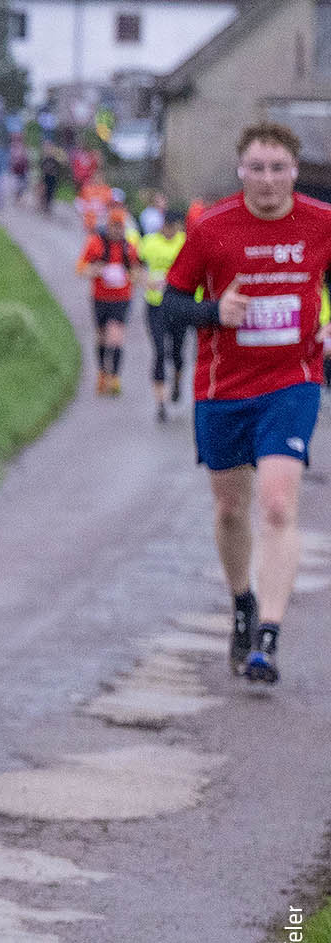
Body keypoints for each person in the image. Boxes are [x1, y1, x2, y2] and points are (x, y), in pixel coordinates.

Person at [163, 122, 331, 684]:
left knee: (278, 504)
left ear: (295, 171)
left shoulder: (321, 222)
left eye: (278, 168)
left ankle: (269, 637)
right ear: (241, 171)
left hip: (292, 381)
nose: (267, 180)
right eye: (256, 168)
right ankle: (243, 603)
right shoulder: (212, 228)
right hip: (224, 389)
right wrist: (214, 313)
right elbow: (170, 304)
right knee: (231, 509)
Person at [78, 214, 142, 396]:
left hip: (122, 299)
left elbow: (137, 271)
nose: (117, 231)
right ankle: (102, 373)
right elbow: (80, 268)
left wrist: (130, 275)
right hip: (100, 298)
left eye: (120, 227)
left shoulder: (129, 247)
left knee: (116, 337)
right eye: (114, 226)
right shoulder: (96, 244)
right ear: (108, 226)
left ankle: (114, 378)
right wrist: (96, 270)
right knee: (101, 336)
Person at [132, 205, 187, 419]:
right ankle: (160, 403)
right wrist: (146, 280)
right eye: (167, 227)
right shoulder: (149, 242)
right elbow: (135, 268)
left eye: (174, 228)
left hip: (179, 305)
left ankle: (177, 383)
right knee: (159, 352)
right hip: (155, 305)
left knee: (177, 353)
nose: (170, 231)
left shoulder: (184, 242)